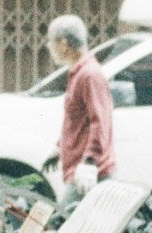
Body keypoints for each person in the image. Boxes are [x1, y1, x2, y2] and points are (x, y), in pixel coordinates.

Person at [49, 14, 115, 187]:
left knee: (66, 215)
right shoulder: (78, 73)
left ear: (63, 44)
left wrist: (89, 162)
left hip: (90, 174)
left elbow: (100, 120)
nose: (49, 47)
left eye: (51, 42)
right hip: (79, 169)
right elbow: (77, 120)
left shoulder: (89, 75)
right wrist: (59, 148)